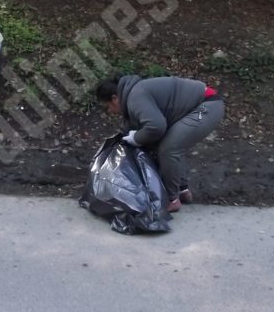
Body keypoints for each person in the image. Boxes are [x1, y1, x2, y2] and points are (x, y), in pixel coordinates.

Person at [95, 74, 224, 212]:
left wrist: (137, 138)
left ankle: (171, 199)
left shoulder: (135, 97)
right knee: (167, 145)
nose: (110, 111)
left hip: (206, 106)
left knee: (169, 149)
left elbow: (156, 127)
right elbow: (142, 129)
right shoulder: (133, 96)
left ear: (115, 98)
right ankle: (182, 191)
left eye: (108, 106)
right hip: (200, 107)